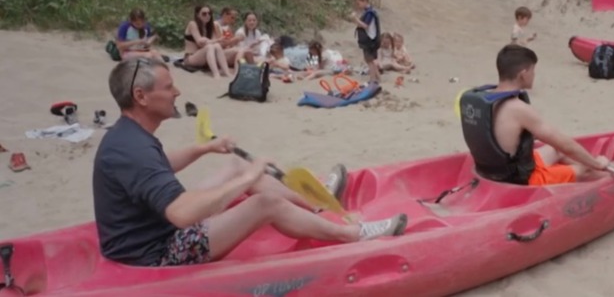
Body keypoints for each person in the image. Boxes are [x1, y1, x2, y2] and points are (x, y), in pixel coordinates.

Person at [92, 57, 407, 267]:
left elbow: (158, 165)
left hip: (155, 233)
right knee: (264, 203)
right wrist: (245, 183)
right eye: (168, 87)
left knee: (236, 165)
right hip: (157, 253)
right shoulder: (133, 149)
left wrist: (206, 149)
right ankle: (352, 235)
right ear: (141, 96)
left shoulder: (128, 137)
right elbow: (181, 214)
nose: (177, 91)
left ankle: (315, 204)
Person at [457, 45, 614, 186]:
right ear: (523, 73)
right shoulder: (518, 109)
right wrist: (596, 163)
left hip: (492, 171)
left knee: (555, 151)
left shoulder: (484, 99)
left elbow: (560, 148)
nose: (534, 75)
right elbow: (565, 144)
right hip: (520, 180)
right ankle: (607, 175)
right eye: (533, 70)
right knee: (586, 167)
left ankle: (603, 170)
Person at [349, 0, 381, 84]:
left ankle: (372, 79)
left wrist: (355, 19)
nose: (358, 6)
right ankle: (378, 77)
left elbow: (365, 26)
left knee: (369, 61)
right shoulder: (368, 12)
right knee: (371, 60)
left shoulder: (370, 13)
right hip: (370, 40)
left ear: (365, 1)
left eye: (358, 3)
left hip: (370, 41)